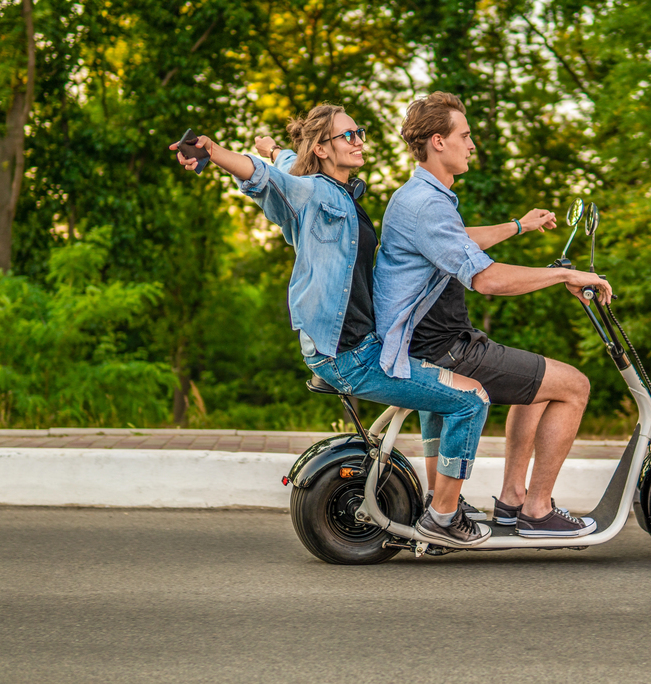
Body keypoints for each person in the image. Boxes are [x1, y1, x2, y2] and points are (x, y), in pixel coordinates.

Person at [170, 105, 491, 547]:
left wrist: (274, 147)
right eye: (348, 135)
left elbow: (281, 163)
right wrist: (215, 150)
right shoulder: (316, 194)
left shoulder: (336, 191)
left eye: (359, 132)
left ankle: (442, 498)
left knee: (441, 395)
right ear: (322, 149)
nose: (360, 140)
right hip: (350, 354)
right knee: (470, 400)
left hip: (358, 346)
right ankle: (444, 518)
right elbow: (269, 177)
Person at [374, 92, 613, 538]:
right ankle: (537, 512)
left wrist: (519, 225)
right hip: (444, 348)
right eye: (465, 136)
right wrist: (563, 277)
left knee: (538, 387)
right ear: (438, 141)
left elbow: (459, 239)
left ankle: (513, 502)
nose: (472, 145)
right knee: (574, 386)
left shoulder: (421, 196)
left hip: (432, 340)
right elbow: (485, 280)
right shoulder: (427, 203)